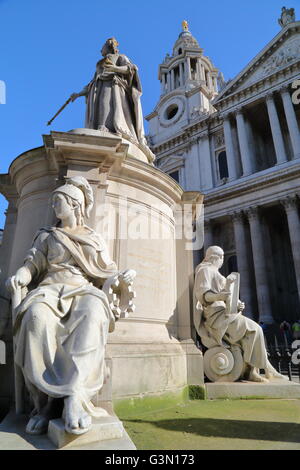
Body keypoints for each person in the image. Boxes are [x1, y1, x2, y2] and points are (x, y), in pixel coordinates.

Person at [7, 176, 136, 436]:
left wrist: (121, 277)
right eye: (53, 200)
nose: (54, 206)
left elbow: (105, 271)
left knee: (93, 312)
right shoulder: (47, 236)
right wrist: (22, 275)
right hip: (49, 290)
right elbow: (33, 263)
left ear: (75, 205)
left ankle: (75, 396)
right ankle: (44, 405)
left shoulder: (92, 238)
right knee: (35, 317)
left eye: (59, 201)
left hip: (83, 290)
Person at [194, 246, 287, 383]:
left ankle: (255, 371)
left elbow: (224, 295)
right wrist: (220, 296)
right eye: (222, 258)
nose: (222, 261)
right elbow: (204, 295)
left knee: (252, 333)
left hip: (225, 313)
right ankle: (263, 370)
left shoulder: (214, 271)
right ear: (217, 257)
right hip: (216, 317)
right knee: (255, 329)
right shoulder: (205, 270)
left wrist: (237, 304)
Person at [71, 37, 150, 153]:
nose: (100, 50)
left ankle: (107, 127)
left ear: (109, 46)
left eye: (102, 47)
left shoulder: (120, 57)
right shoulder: (100, 63)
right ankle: (100, 127)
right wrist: (78, 94)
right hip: (98, 88)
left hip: (113, 85)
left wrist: (115, 68)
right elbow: (91, 82)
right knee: (100, 106)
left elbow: (130, 69)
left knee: (106, 103)